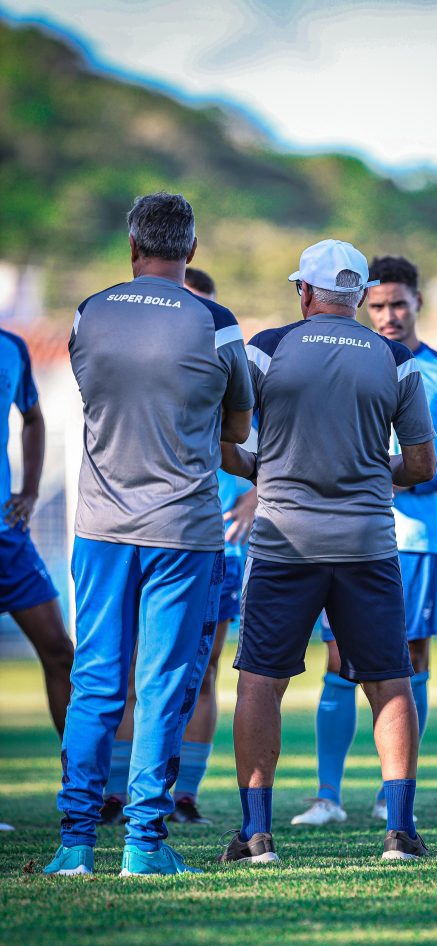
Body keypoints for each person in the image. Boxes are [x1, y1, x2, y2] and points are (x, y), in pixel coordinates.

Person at [43, 192, 253, 876]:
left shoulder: (88, 313)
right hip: (184, 532)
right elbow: (237, 430)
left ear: (131, 248)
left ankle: (75, 844)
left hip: (101, 528)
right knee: (164, 686)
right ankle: (143, 846)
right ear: (191, 252)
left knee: (96, 684)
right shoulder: (217, 323)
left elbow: (91, 392)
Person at [218, 238, 437, 865]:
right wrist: (365, 466)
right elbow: (420, 465)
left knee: (262, 682)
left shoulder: (266, 350)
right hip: (368, 543)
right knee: (390, 682)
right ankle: (400, 831)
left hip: (285, 545)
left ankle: (257, 836)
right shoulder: (396, 359)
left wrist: (271, 468)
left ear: (305, 292)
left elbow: (230, 446)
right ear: (362, 295)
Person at [291, 255, 437, 827]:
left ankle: (392, 792)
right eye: (377, 305)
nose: (389, 315)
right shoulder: (351, 361)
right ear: (362, 305)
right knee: (337, 659)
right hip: (350, 534)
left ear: (418, 302)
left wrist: (404, 473)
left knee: (409, 657)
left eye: (398, 303)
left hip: (418, 537)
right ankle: (327, 795)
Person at [101, 267, 257, 827]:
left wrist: (255, 495)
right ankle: (117, 792)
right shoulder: (144, 368)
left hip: (221, 545)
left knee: (206, 668)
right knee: (138, 666)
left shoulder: (232, 363)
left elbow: (271, 441)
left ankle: (182, 791)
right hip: (154, 532)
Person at [0, 326, 73, 738]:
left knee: (60, 652)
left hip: (7, 537)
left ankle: (80, 787)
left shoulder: (12, 348)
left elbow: (33, 418)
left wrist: (28, 491)